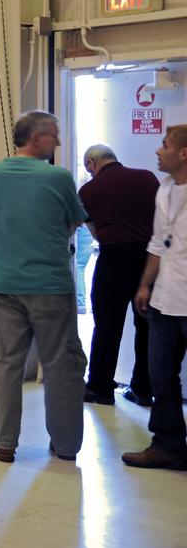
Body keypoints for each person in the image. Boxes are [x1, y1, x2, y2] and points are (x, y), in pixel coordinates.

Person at [0, 110, 88, 463]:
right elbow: (74, 222)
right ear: (36, 138)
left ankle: (5, 443)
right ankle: (66, 445)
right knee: (60, 364)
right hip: (49, 285)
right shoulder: (59, 178)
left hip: (4, 282)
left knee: (7, 364)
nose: (57, 141)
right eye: (54, 135)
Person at [122, 124, 187, 470]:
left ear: (183, 153)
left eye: (164, 145)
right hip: (164, 299)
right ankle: (168, 445)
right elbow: (156, 244)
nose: (158, 151)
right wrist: (145, 285)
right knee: (161, 375)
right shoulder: (163, 190)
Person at [78, 144, 159, 406]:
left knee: (107, 327)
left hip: (113, 261)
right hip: (149, 260)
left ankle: (100, 388)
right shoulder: (147, 178)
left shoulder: (89, 190)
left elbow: (96, 233)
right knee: (146, 326)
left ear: (91, 162)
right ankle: (144, 390)